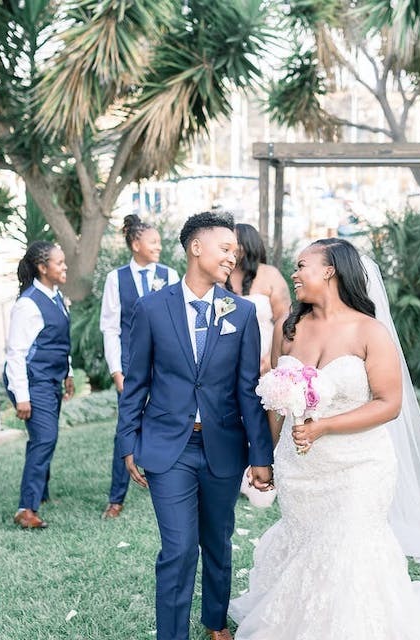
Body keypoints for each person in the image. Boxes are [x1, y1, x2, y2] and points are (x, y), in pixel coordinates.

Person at [230, 238, 420, 639]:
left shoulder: (369, 331)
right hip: (300, 468)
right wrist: (264, 458)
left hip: (359, 465)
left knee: (350, 545)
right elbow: (275, 404)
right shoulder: (287, 328)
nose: (294, 273)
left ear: (329, 271)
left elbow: (389, 404)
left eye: (302, 265)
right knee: (310, 543)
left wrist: (324, 426)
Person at [116, 211, 274, 640]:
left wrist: (261, 455)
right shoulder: (152, 308)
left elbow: (248, 390)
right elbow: (136, 383)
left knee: (217, 542)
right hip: (169, 448)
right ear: (195, 247)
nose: (232, 258)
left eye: (235, 252)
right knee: (179, 548)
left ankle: (215, 622)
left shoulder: (241, 313)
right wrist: (127, 441)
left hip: (224, 447)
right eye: (225, 249)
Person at [98, 215, 180, 519]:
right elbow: (110, 328)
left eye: (159, 242)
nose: (159, 246)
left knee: (169, 424)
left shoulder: (170, 275)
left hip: (165, 367)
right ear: (136, 244)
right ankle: (116, 497)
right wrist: (116, 371)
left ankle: (169, 484)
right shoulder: (115, 279)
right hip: (130, 367)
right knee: (127, 428)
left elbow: (177, 323)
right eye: (153, 242)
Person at [3, 241, 74, 529]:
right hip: (32, 382)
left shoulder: (56, 297)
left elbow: (57, 341)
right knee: (44, 438)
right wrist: (22, 396)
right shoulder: (28, 304)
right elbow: (15, 354)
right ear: (43, 268)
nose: (65, 266)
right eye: (59, 263)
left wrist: (68, 373)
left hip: (51, 379)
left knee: (46, 437)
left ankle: (40, 493)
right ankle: (26, 509)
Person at [229, 223, 291, 508]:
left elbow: (285, 319)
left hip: (265, 358)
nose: (231, 249)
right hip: (227, 360)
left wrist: (271, 357)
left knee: (265, 417)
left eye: (235, 243)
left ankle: (265, 468)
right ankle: (234, 471)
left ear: (249, 244)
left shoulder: (270, 275)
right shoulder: (222, 273)